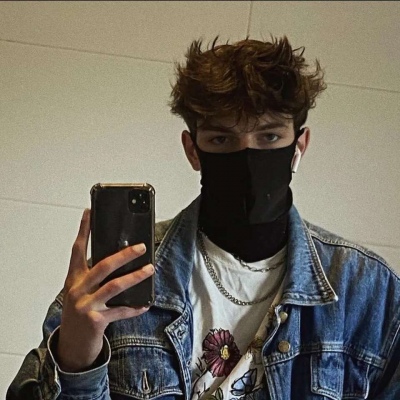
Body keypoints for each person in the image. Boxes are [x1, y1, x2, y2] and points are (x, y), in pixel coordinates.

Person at [7, 35, 400, 400]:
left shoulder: (368, 291)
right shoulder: (119, 279)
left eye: (269, 137)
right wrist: (75, 360)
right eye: (221, 139)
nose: (247, 160)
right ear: (193, 150)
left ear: (299, 145)